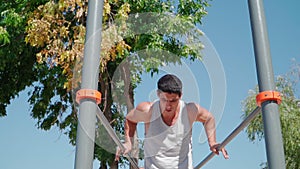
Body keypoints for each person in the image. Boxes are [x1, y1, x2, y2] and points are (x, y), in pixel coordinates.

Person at [115, 74, 229, 169]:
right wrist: (128, 143)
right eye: (164, 100)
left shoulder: (189, 110)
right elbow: (130, 119)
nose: (168, 106)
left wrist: (212, 142)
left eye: (173, 101)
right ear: (158, 94)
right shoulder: (148, 110)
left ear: (180, 96)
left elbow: (208, 118)